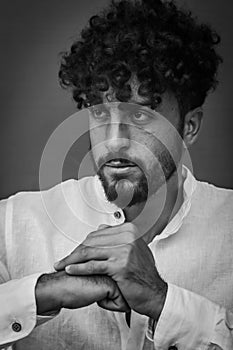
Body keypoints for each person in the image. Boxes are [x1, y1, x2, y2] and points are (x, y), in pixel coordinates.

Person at [0, 0, 232, 349]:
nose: (113, 142)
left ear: (190, 126)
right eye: (99, 113)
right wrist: (40, 292)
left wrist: (163, 303)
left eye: (140, 117)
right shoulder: (13, 225)